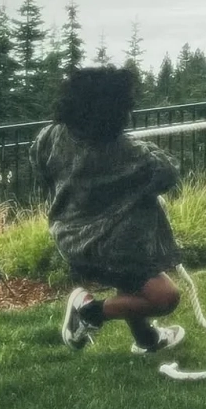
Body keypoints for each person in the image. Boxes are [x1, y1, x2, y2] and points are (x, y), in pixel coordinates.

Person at [30, 65, 186, 354]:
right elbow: (168, 172)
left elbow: (42, 169)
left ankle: (148, 340)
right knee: (164, 298)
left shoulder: (49, 136)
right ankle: (88, 312)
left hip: (70, 240)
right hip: (110, 249)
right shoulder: (126, 152)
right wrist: (138, 146)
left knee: (131, 283)